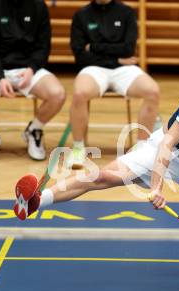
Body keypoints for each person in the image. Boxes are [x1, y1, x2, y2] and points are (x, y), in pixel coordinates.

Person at [13, 32, 179, 277]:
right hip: (163, 150)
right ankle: (38, 200)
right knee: (101, 177)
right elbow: (167, 144)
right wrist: (156, 186)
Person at [67, 0, 160, 169]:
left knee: (152, 91)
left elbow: (128, 49)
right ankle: (78, 148)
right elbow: (80, 55)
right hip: (94, 68)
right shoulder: (81, 15)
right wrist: (115, 57)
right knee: (80, 93)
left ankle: (142, 149)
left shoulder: (126, 12)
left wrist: (94, 47)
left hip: (123, 69)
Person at [0, 0, 66, 160]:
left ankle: (34, 129)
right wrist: (0, 76)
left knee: (58, 94)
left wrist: (32, 68)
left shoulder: (39, 6)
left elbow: (43, 46)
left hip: (28, 70)